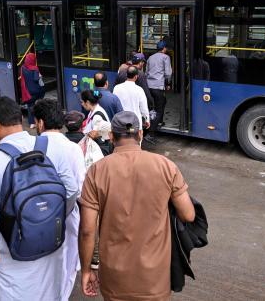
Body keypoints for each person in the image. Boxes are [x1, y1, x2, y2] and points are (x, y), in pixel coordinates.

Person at [78, 111, 196, 300]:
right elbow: (189, 215)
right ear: (140, 134)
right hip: (155, 277)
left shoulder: (97, 171)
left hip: (115, 277)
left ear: (111, 136)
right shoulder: (165, 165)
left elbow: (87, 230)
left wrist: (86, 271)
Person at [0, 97, 79, 301]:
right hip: (51, 246)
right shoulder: (52, 146)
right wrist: (50, 218)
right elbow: (72, 191)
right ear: (21, 118)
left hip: (13, 255)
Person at [33, 98, 86, 301]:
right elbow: (80, 188)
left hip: (38, 216)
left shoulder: (32, 145)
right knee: (67, 262)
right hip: (68, 216)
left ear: (40, 123)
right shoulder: (73, 148)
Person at [113, 66, 150, 132]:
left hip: (121, 123)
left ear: (126, 75)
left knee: (123, 140)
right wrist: (147, 120)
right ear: (136, 77)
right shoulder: (139, 90)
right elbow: (143, 108)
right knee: (134, 139)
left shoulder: (117, 88)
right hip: (134, 124)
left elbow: (114, 104)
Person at [147, 40, 173, 134]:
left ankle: (155, 121)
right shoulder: (166, 57)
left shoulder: (150, 58)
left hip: (149, 86)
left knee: (153, 105)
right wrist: (168, 84)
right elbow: (168, 73)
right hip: (158, 86)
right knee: (160, 108)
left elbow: (147, 72)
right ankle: (152, 131)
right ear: (164, 48)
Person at [80, 89, 112, 155]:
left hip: (104, 149)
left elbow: (93, 135)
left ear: (88, 102)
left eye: (82, 102)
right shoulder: (94, 110)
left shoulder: (97, 117)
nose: (82, 104)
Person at [20, 52, 45, 129]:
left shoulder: (23, 67)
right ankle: (39, 121)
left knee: (30, 106)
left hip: (28, 92)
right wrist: (40, 76)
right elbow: (36, 79)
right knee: (38, 105)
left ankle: (31, 123)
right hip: (37, 92)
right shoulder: (35, 68)